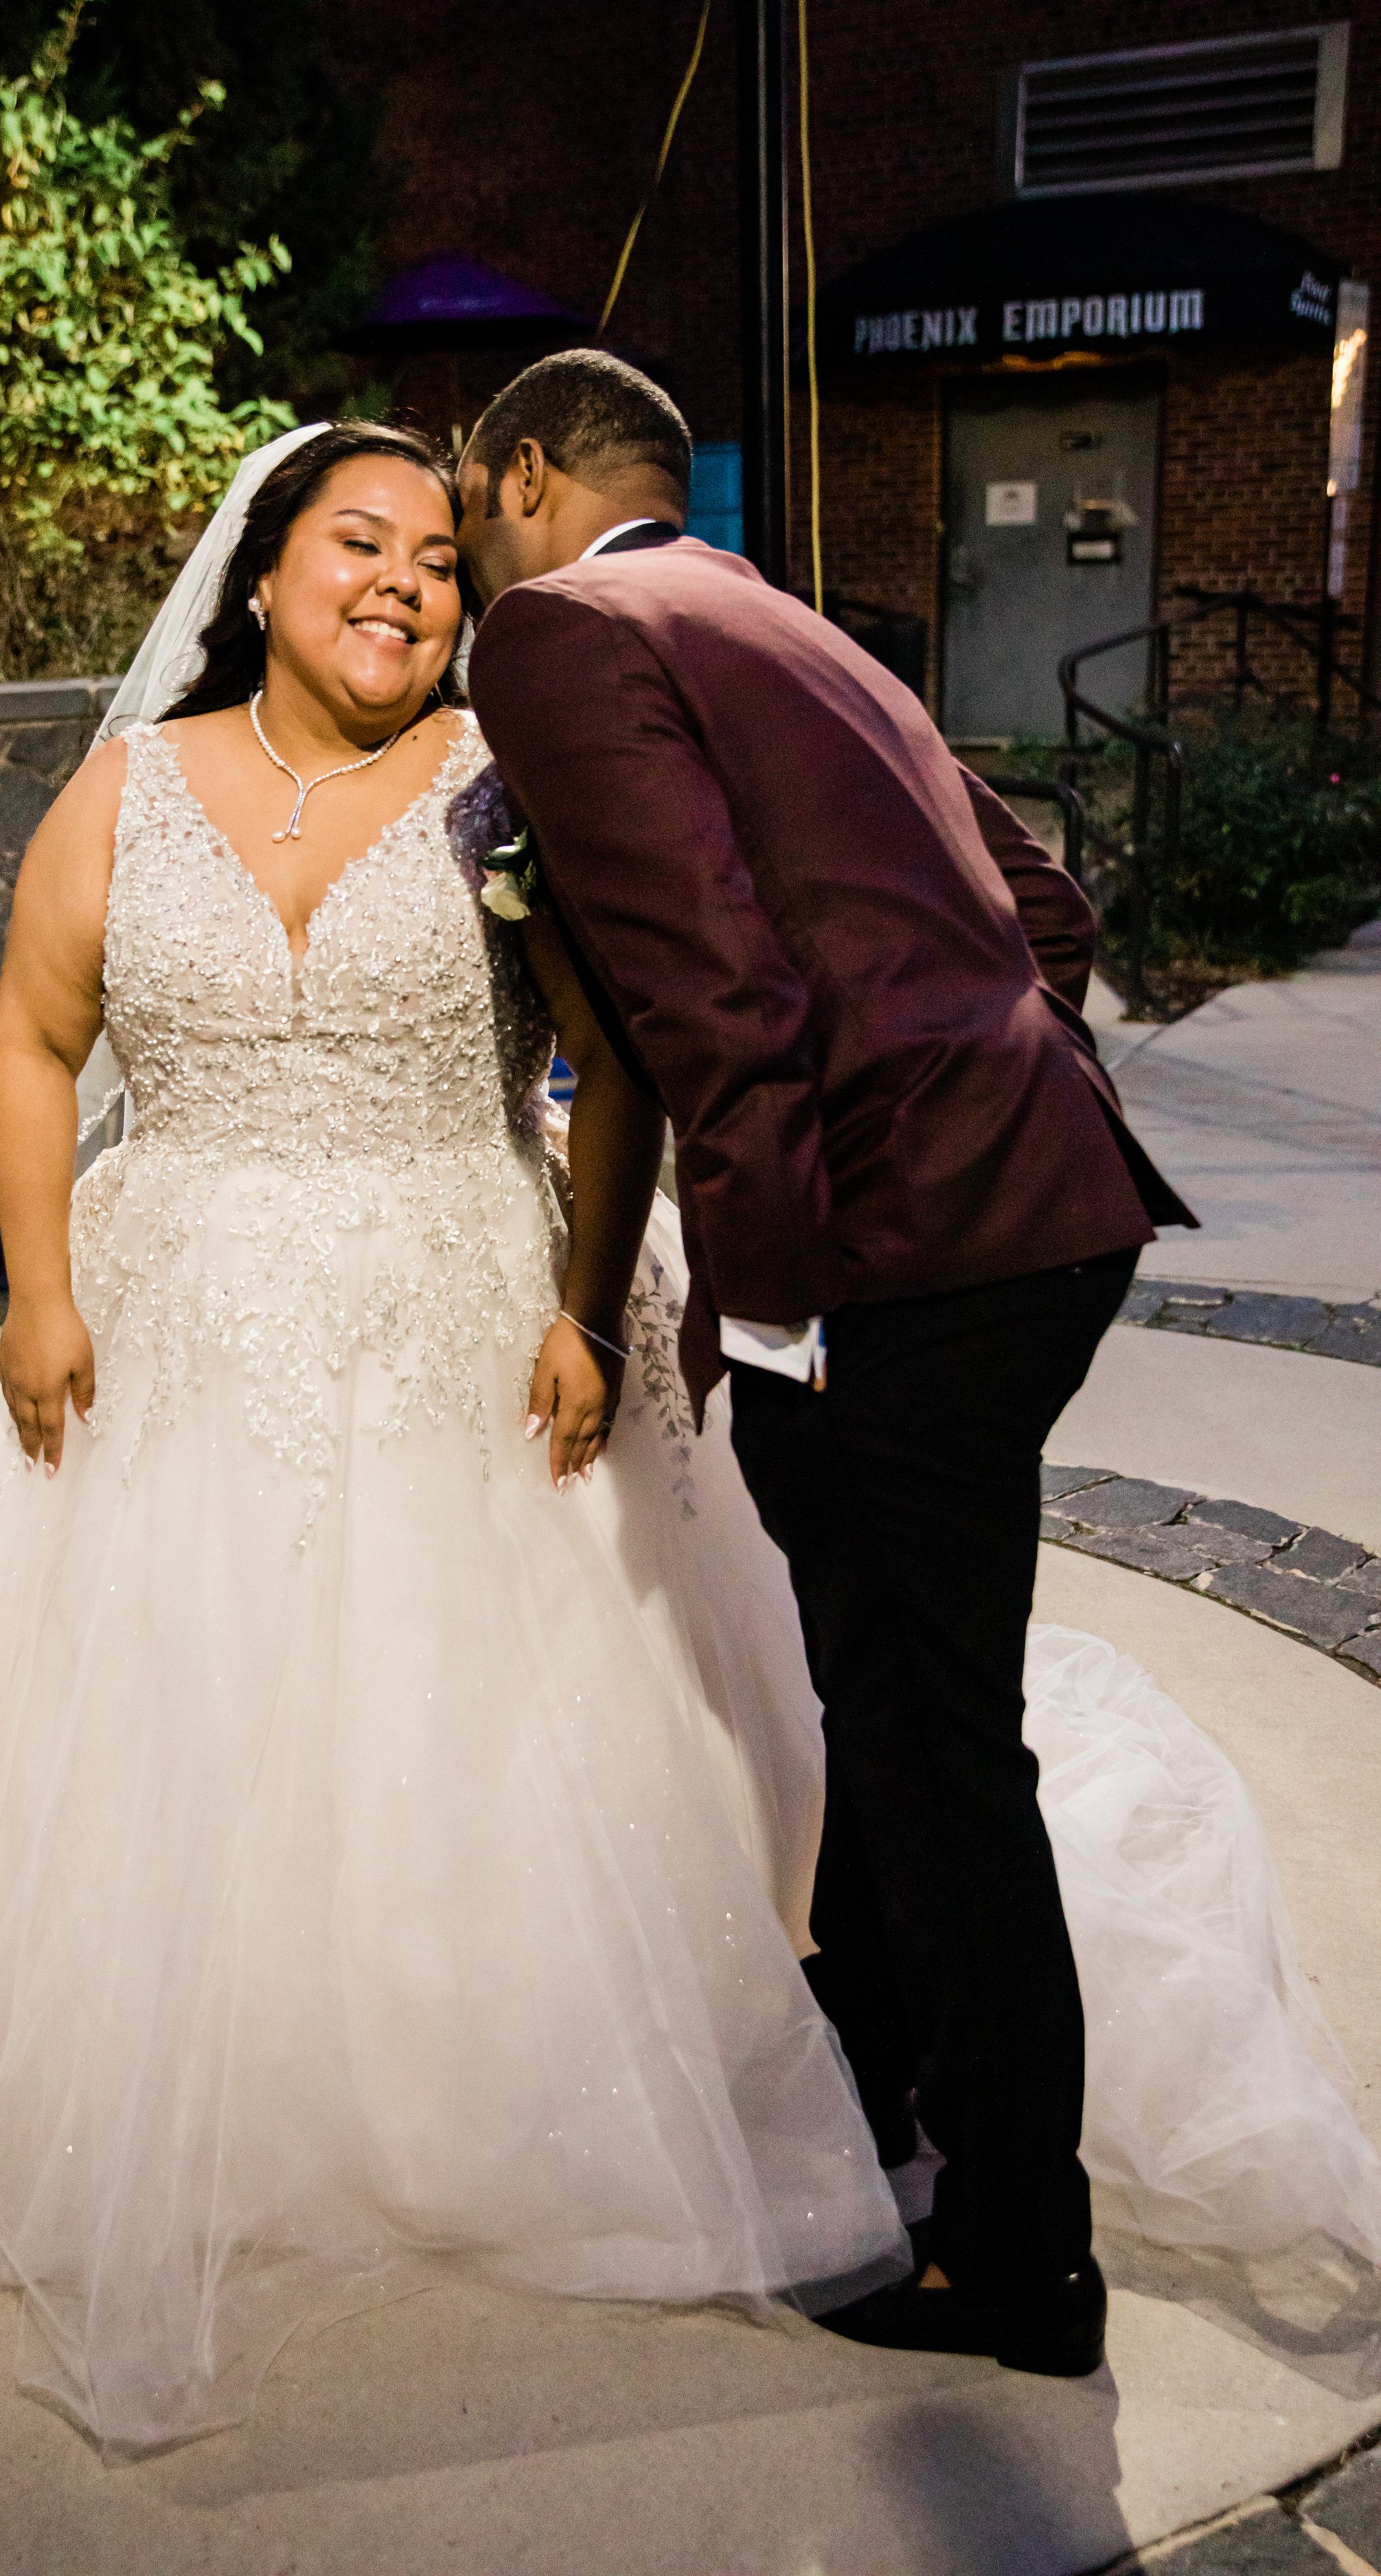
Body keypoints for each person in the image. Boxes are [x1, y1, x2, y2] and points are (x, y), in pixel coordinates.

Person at [0, 418, 1376, 2459]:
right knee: (168, 1716)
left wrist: (596, 1306)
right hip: (178, 1299)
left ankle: (680, 2104)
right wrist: (36, 1285)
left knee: (556, 1724)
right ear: (263, 570)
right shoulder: (125, 788)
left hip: (467, 1293)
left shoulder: (505, 777)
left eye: (436, 556)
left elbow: (643, 1050)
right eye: (353, 542)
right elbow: (35, 1039)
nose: (399, 579)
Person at [449, 348, 1335, 2374]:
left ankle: (1016, 2259)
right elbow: (1045, 903)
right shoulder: (775, 614)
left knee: (937, 1755)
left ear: (514, 479)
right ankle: (888, 2096)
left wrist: (770, 1302)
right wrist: (988, 1092)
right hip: (1037, 1212)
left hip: (889, 1261)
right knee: (899, 1712)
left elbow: (713, 994)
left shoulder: (565, 631)